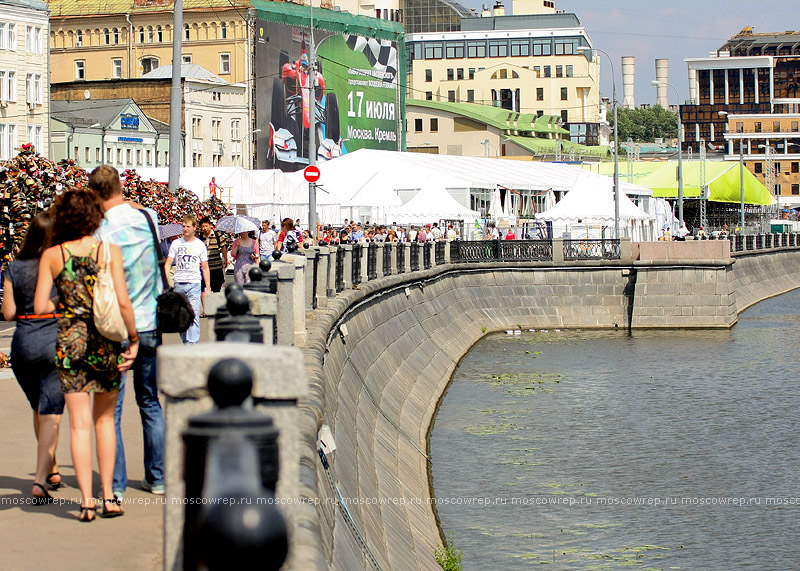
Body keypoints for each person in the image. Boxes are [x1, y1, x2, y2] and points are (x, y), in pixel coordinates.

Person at [34, 188, 139, 522]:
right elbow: (122, 301)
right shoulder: (109, 251)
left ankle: (85, 503)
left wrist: (65, 303)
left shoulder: (53, 255)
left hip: (70, 344)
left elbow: (39, 307)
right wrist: (133, 339)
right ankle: (108, 497)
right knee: (105, 421)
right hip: (105, 342)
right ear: (95, 217)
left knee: (79, 425)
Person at [90, 165, 165, 500]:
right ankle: (157, 477)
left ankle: (116, 486)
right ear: (120, 187)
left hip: (113, 326)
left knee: (111, 411)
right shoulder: (149, 217)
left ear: (95, 193)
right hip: (150, 320)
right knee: (150, 401)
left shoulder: (99, 228)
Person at [2, 211, 65, 504]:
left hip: (23, 343)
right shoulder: (59, 265)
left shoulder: (14, 268)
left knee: (37, 406)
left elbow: (8, 314)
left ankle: (50, 468)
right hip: (53, 339)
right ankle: (44, 475)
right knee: (51, 408)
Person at [164, 215, 211, 344]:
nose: (185, 229)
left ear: (195, 228)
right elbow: (168, 264)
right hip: (179, 283)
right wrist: (165, 282)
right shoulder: (176, 243)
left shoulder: (200, 245)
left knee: (193, 316)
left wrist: (207, 288)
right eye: (183, 226)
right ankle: (186, 341)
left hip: (194, 283)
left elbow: (205, 268)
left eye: (188, 226)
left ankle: (192, 345)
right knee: (180, 317)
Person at [199, 217, 229, 293]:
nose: (205, 228)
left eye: (206, 226)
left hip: (216, 266)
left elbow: (223, 247)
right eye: (203, 227)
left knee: (216, 288)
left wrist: (226, 259)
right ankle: (205, 304)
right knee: (202, 287)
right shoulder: (200, 237)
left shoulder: (217, 235)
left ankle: (216, 303)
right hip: (204, 267)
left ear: (210, 225)